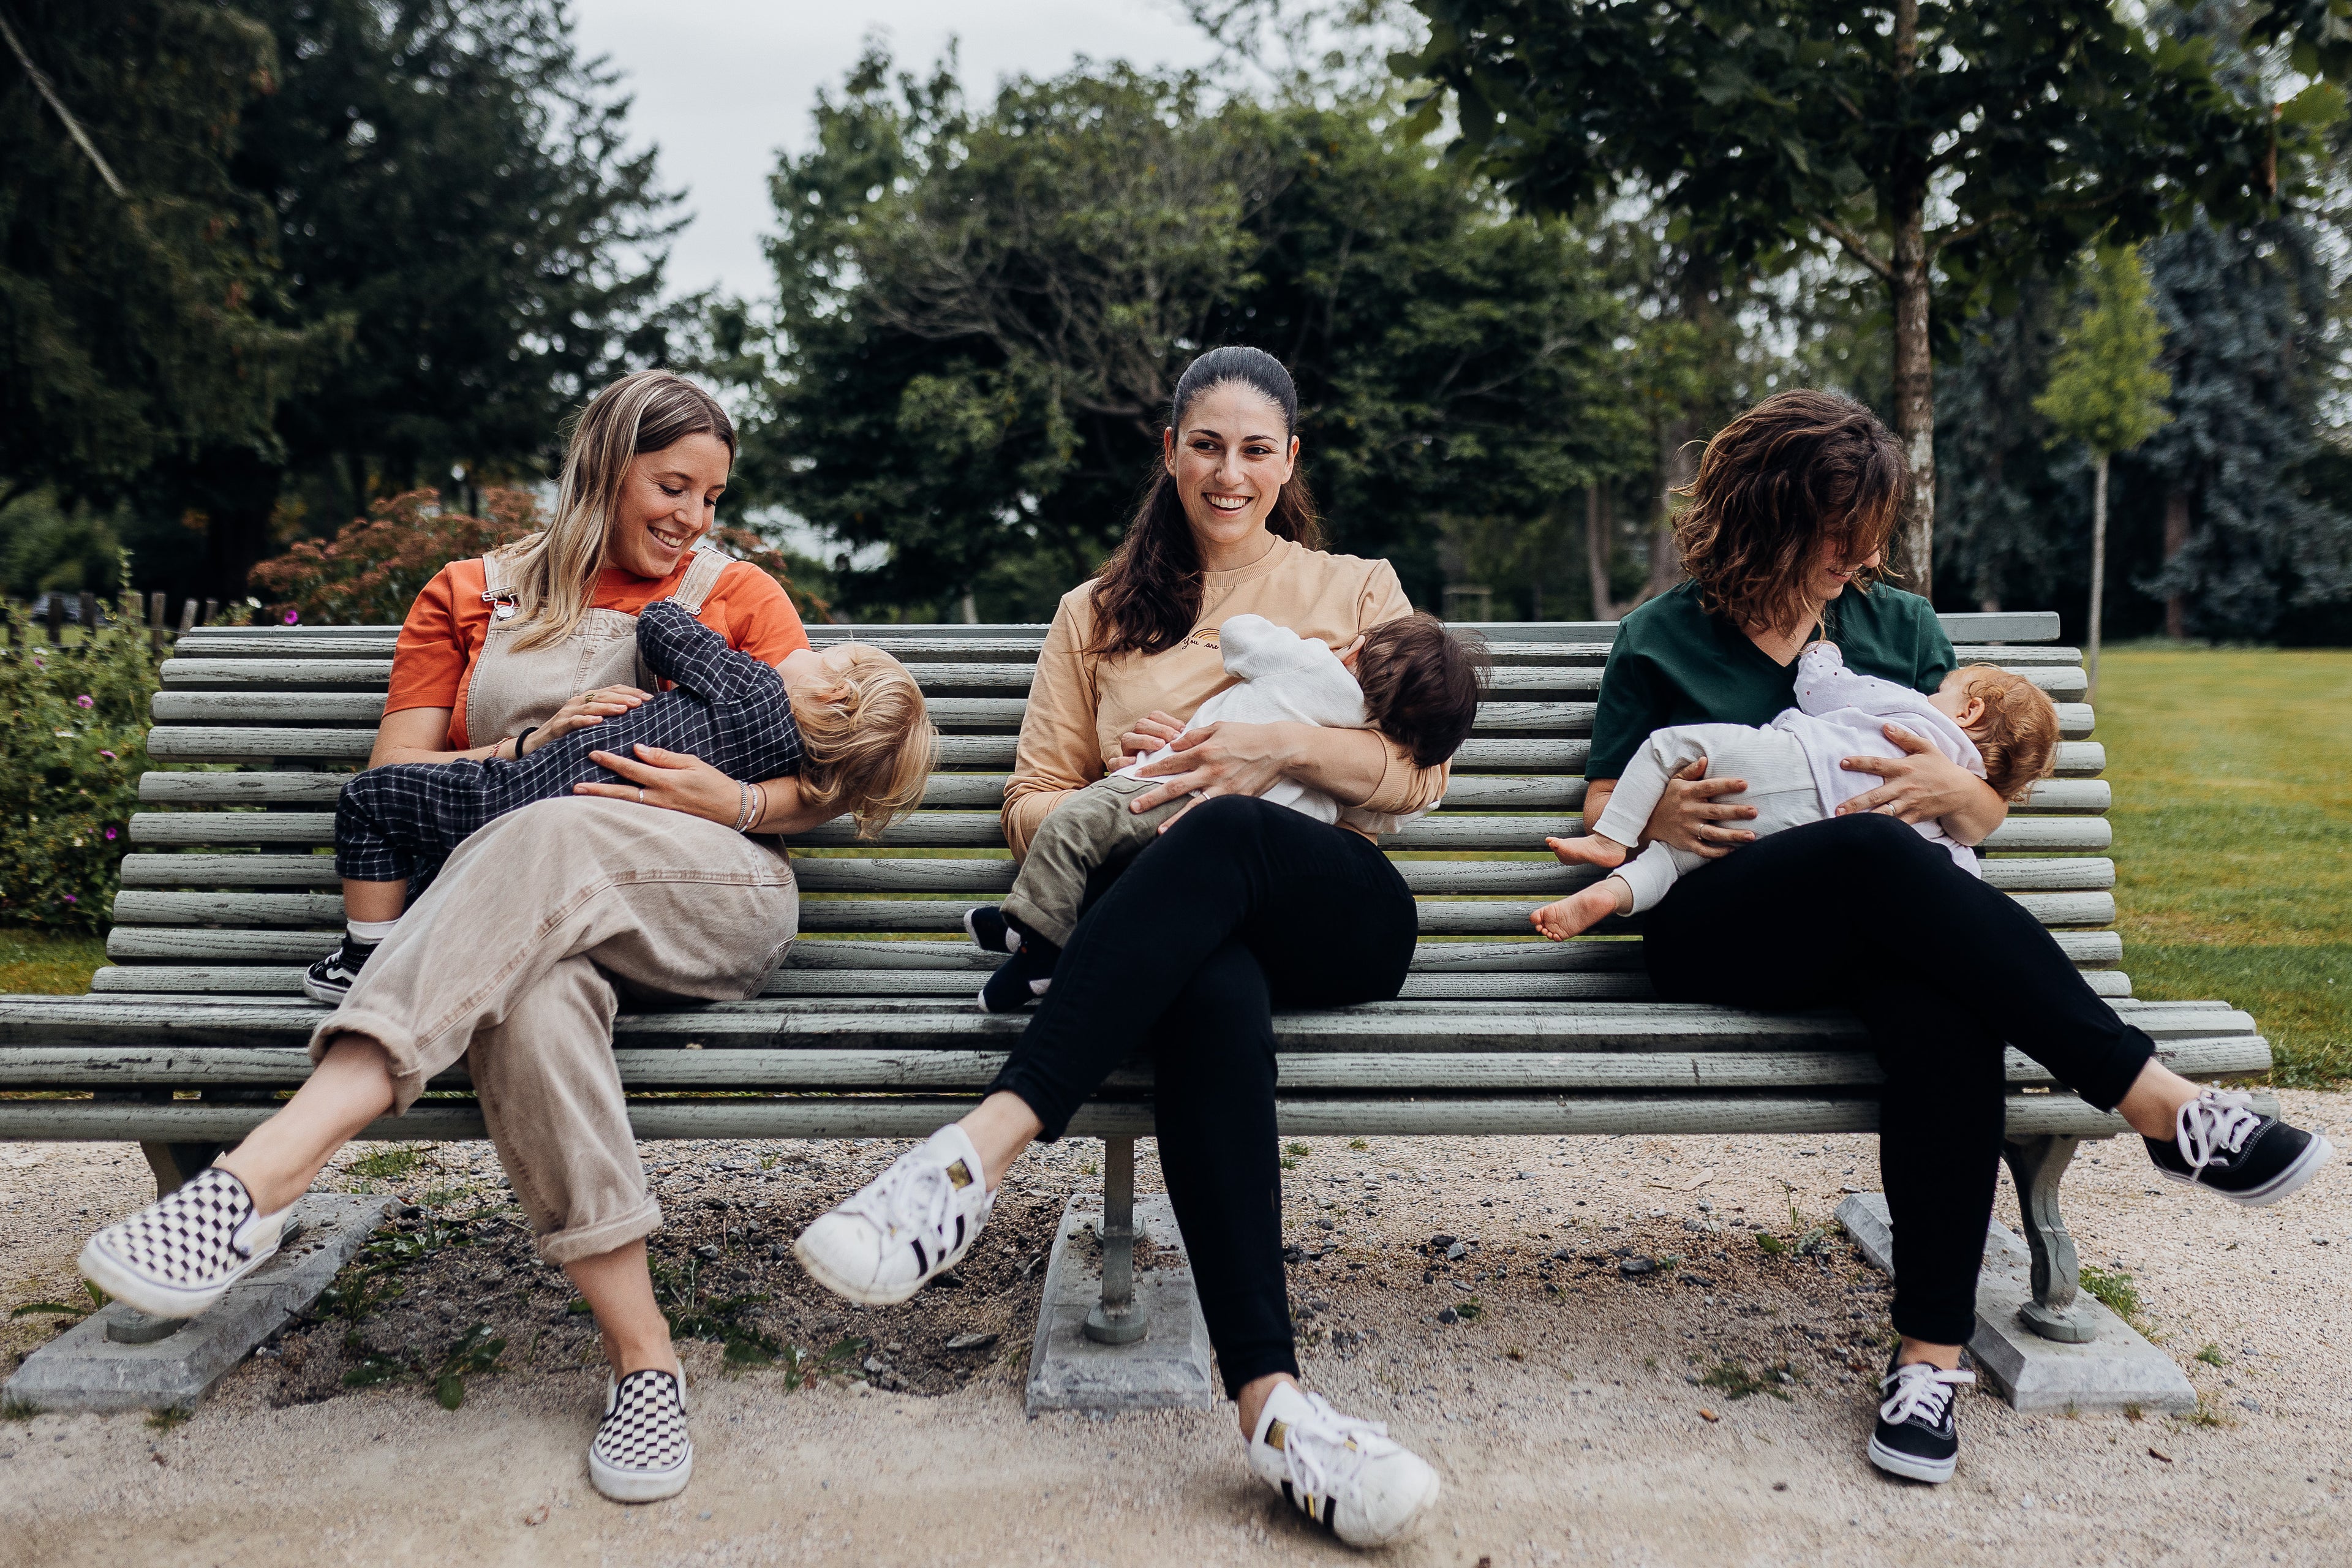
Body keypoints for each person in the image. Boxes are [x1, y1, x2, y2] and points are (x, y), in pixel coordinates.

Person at [78, 369, 847, 1505]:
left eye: (712, 495)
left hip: (707, 893)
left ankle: (260, 1179)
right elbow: (395, 778)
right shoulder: (470, 591)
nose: (693, 518)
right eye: (673, 486)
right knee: (530, 999)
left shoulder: (741, 596)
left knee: (558, 830)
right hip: (526, 918)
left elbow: (829, 780)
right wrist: (522, 747)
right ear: (604, 467)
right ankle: (647, 1364)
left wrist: (722, 799)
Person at [1580, 388, 2331, 1485]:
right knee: (1878, 859)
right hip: (1717, 927)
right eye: (1839, 528)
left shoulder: (1899, 626)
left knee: (1945, 1003)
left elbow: (1974, 816)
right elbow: (1605, 794)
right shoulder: (1661, 634)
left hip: (1874, 923)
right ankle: (2164, 1107)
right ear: (1766, 512)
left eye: (1872, 525)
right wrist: (1655, 812)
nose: (1859, 551)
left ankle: (1929, 1360)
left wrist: (1958, 791)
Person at [791, 345, 1452, 1548]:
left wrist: (1269, 754)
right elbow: (1032, 801)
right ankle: (1276, 1410)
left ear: (1289, 458)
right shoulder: (1094, 613)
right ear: (1171, 451)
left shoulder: (1355, 587)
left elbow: (1418, 775)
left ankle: (969, 1161)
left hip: (1337, 904)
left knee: (1237, 826)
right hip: (1171, 910)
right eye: (1208, 443)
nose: (1231, 469)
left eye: (1257, 447)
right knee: (1208, 970)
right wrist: (1147, 788)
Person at [304, 597, 931, 1002]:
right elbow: (832, 791)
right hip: (587, 841)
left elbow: (662, 624)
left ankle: (366, 960)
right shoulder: (799, 760)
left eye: (830, 656)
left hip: (524, 792)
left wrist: (693, 670)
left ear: (836, 698)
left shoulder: (753, 685)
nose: (807, 651)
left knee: (368, 799)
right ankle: (404, 948)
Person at [964, 609, 1483, 1011]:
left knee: (1072, 827)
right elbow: (1397, 805)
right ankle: (1035, 936)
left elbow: (1240, 632)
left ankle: (1041, 946)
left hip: (1169, 792)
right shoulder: (1368, 741)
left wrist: (1311, 661)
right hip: (1241, 869)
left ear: (1359, 649)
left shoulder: (1312, 661)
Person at [1531, 648, 2056, 938]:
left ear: (1968, 712)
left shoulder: (1913, 712)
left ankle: (1609, 847)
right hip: (1802, 843)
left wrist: (1820, 656)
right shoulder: (1945, 826)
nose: (1931, 693)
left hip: (1791, 767)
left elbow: (1826, 690)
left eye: (1944, 689)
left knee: (1671, 747)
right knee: (1675, 859)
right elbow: (1956, 883)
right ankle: (1607, 897)